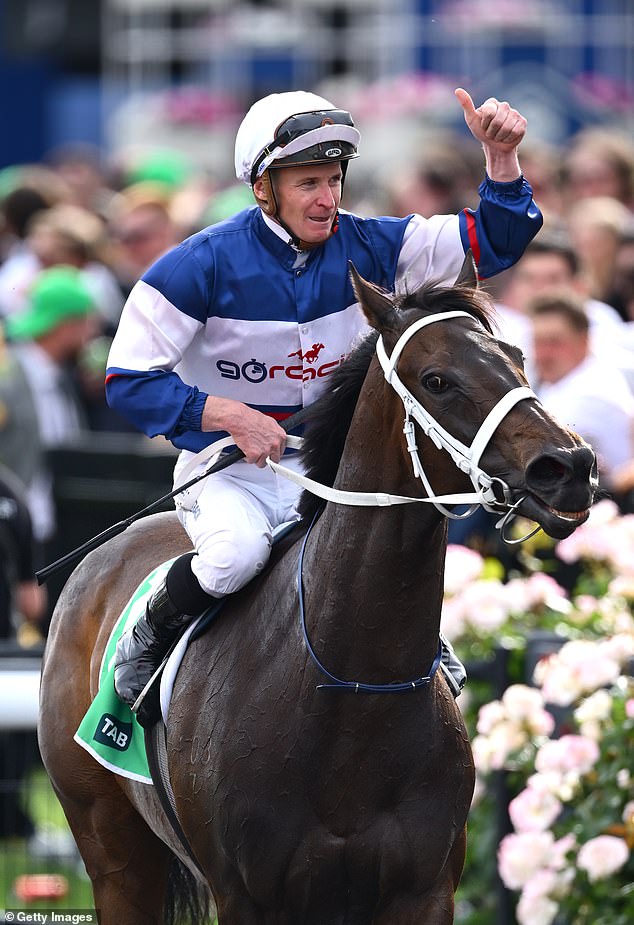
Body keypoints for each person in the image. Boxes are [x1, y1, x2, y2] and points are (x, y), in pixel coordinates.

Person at [106, 87, 544, 725]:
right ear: (264, 188)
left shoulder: (374, 244)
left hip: (337, 475)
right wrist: (225, 414)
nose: (327, 198)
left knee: (393, 552)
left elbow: (492, 242)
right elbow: (128, 380)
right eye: (308, 181)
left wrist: (500, 160)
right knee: (234, 559)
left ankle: (425, 644)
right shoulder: (193, 267)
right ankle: (151, 631)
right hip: (236, 474)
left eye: (334, 179)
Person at [529, 291, 634, 482]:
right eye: (538, 342)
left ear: (584, 340)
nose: (543, 354)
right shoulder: (561, 379)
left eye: (554, 342)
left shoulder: (591, 392)